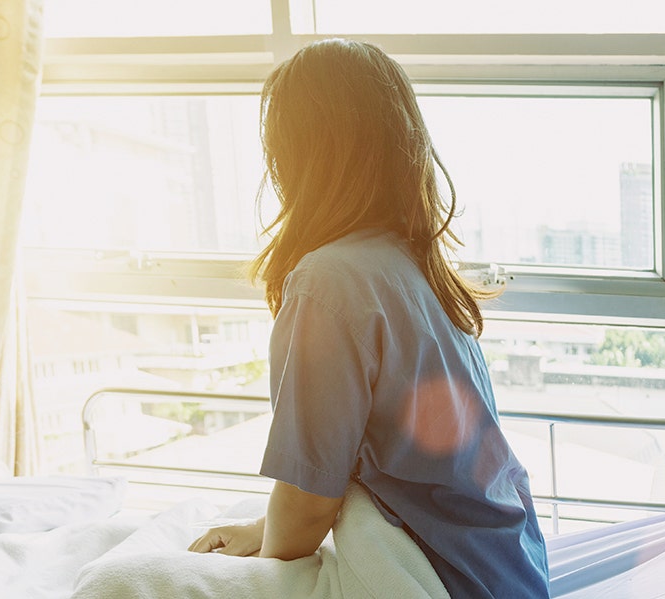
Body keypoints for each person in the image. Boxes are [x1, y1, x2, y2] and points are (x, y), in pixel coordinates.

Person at [188, 38, 550, 598]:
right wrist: (262, 532)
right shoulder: (416, 266)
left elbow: (309, 505)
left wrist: (257, 566)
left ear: (299, 154)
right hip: (504, 569)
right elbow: (403, 478)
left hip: (441, 577)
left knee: (115, 582)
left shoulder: (328, 280)